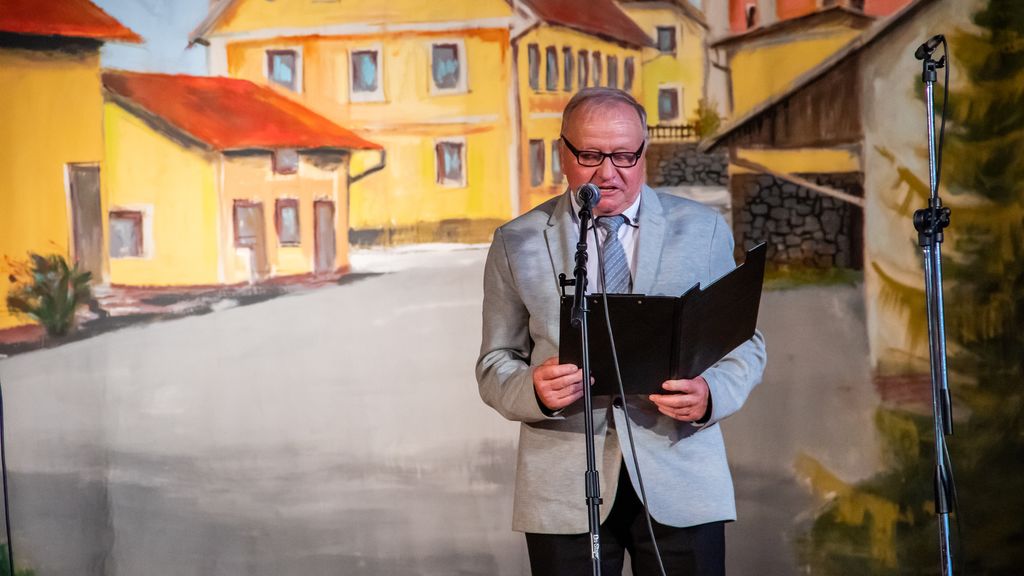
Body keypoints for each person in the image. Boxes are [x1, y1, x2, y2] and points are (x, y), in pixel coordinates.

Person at [475, 87, 766, 576]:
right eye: (590, 155)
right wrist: (534, 390)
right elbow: (494, 362)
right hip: (564, 486)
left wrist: (710, 394)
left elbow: (744, 343)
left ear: (644, 152)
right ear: (563, 153)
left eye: (625, 156)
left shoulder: (702, 230)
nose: (608, 173)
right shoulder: (517, 241)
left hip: (681, 474)